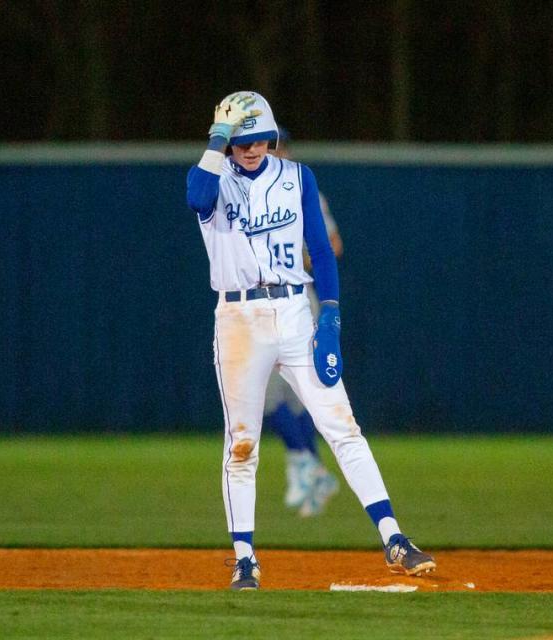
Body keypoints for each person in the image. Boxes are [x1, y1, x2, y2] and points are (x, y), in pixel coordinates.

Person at [185, 91, 435, 590]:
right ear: (226, 142)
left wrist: (331, 319)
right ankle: (244, 558)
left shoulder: (298, 177)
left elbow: (321, 249)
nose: (251, 148)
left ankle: (394, 538)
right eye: (241, 139)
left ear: (272, 136)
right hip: (239, 316)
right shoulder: (215, 179)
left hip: (296, 310)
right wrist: (218, 136)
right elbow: (195, 195)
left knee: (343, 427)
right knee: (242, 445)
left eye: (259, 138)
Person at [263, 128, 343, 518]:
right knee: (274, 400)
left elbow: (333, 245)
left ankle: (308, 468)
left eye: (276, 145)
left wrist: (291, 259)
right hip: (262, 307)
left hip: (298, 302)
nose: (271, 151)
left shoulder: (301, 189)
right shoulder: (250, 194)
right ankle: (313, 470)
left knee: (287, 398)